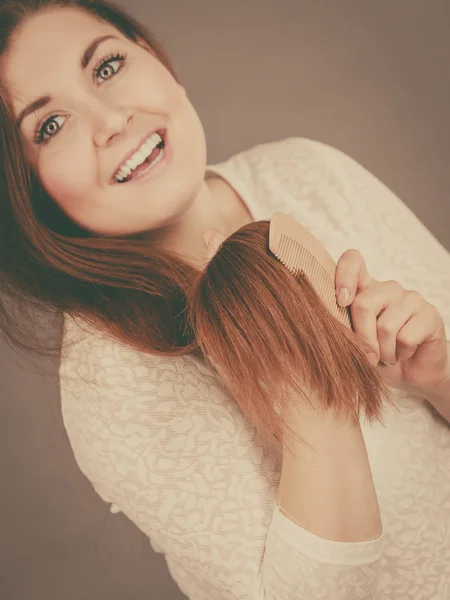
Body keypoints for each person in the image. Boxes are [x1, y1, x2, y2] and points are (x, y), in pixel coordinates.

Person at [1, 1, 449, 599]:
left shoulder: (306, 169)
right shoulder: (109, 382)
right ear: (30, 199)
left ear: (158, 61)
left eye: (107, 67)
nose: (110, 120)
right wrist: (314, 391)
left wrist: (437, 375)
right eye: (49, 126)